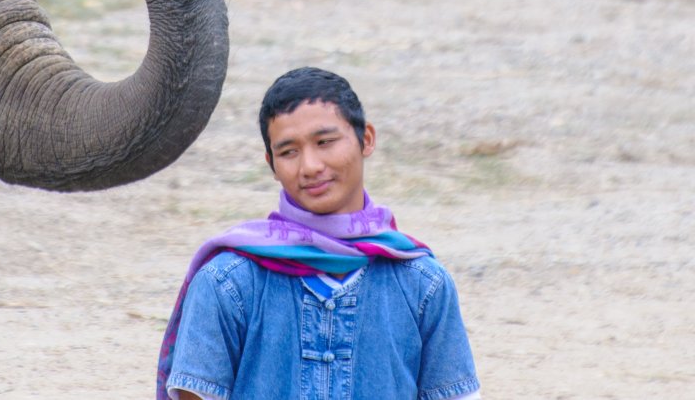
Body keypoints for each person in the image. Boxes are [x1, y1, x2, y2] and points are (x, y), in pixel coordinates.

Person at [158, 66, 480, 400]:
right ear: (271, 163)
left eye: (325, 142)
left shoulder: (424, 285)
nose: (310, 166)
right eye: (288, 152)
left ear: (367, 139)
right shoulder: (227, 283)